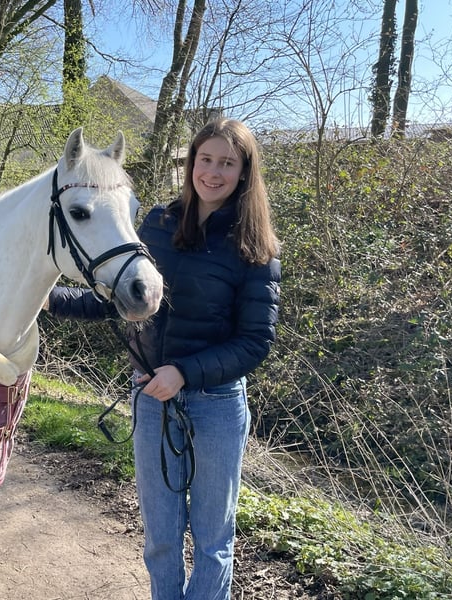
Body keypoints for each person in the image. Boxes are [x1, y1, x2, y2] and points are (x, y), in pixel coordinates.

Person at [46, 117, 281, 599]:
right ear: (192, 162)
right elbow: (121, 299)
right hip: (151, 399)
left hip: (216, 405)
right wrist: (49, 299)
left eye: (227, 163)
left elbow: (255, 341)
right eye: (205, 159)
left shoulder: (255, 247)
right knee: (161, 540)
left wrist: (183, 373)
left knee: (213, 541)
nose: (212, 172)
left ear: (244, 171)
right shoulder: (157, 224)